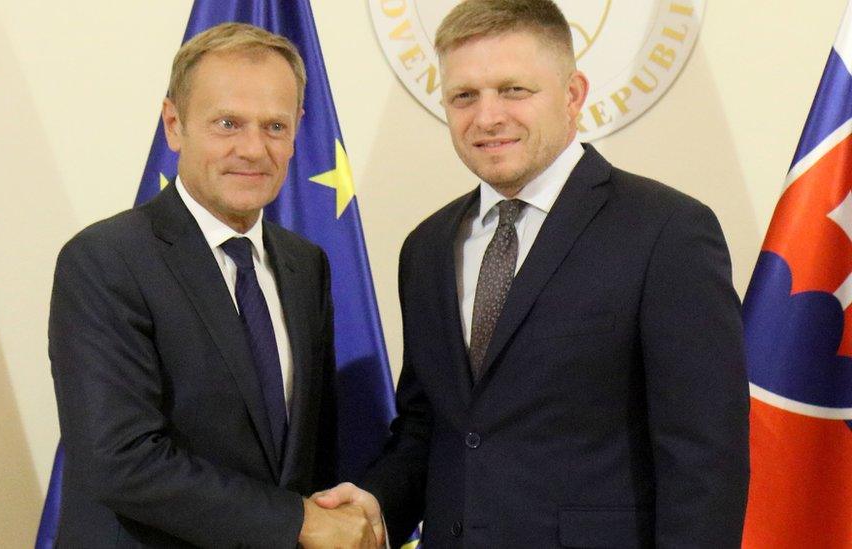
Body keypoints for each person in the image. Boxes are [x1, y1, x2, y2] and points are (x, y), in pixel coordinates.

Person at [315, 0, 750, 546]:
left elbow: (704, 459)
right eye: (464, 96)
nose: (487, 116)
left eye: (514, 90)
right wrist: (376, 504)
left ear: (573, 95)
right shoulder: (425, 248)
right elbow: (436, 428)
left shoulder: (668, 232)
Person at [49, 23, 379, 548]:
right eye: (228, 123)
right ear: (175, 125)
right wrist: (297, 522)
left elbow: (308, 455)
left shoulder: (304, 265)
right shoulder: (105, 260)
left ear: (297, 130)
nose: (253, 149)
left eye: (274, 126)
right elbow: (121, 461)